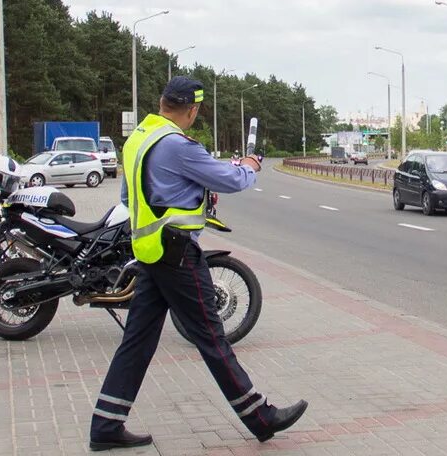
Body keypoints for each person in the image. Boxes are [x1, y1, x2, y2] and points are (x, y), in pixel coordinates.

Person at [90, 76, 307, 451]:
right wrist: (251, 166)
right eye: (196, 111)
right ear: (192, 110)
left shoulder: (139, 139)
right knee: (211, 336)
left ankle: (106, 424)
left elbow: (129, 195)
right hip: (177, 255)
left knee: (137, 342)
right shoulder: (177, 145)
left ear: (162, 103)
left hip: (149, 253)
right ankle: (259, 417)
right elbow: (230, 179)